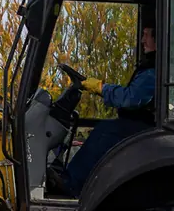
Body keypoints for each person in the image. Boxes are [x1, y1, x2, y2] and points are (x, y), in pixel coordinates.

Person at [62, 23, 156, 194]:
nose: (142, 40)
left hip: (149, 127)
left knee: (106, 132)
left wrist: (101, 88)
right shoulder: (156, 65)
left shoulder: (155, 69)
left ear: (158, 37)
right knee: (106, 128)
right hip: (147, 124)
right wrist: (99, 89)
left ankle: (71, 185)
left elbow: (131, 98)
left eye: (146, 34)